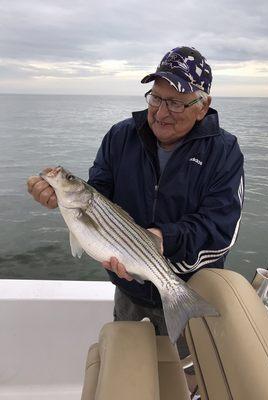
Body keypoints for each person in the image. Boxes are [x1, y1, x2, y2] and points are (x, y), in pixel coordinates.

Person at [27, 46, 244, 395]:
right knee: (128, 367)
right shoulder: (120, 136)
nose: (160, 112)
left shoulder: (224, 152)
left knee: (184, 375)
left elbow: (222, 226)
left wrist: (163, 238)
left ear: (202, 106)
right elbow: (98, 194)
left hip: (190, 285)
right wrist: (57, 197)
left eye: (176, 102)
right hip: (128, 285)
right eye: (156, 98)